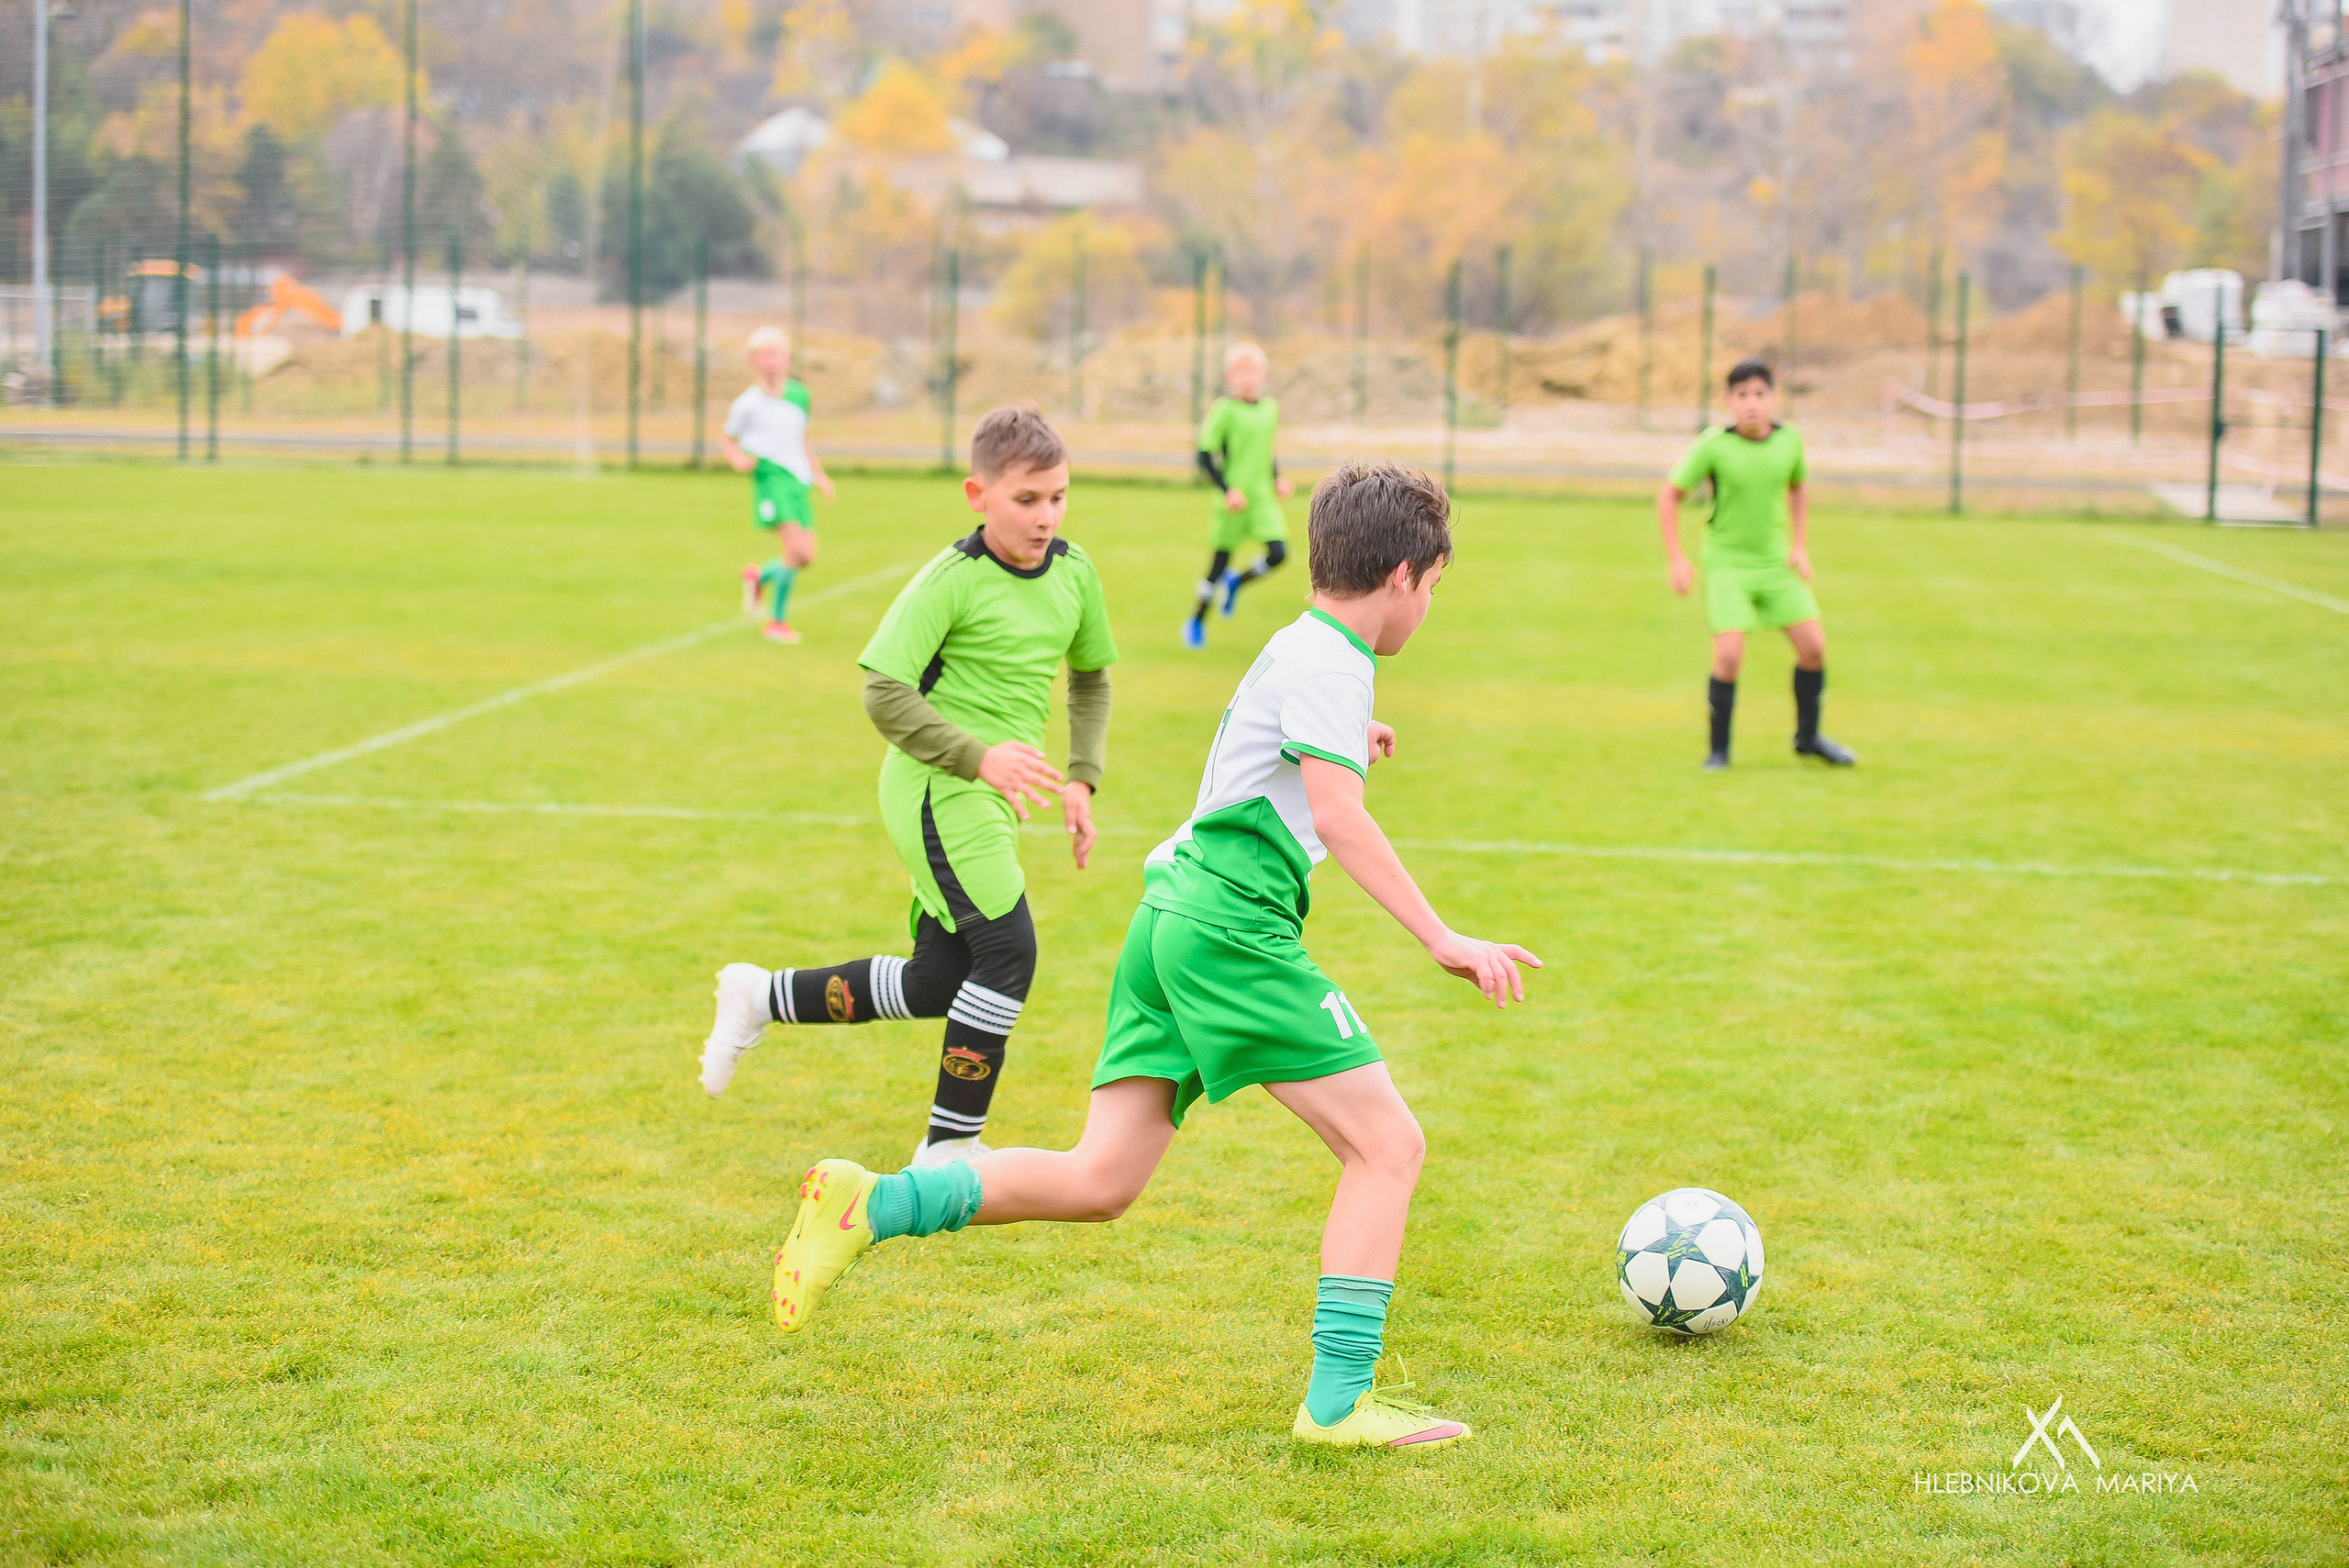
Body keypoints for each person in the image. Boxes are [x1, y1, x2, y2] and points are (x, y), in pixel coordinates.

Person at [769, 460, 1540, 1451]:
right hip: (1228, 929)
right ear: (1402, 574)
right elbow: (1339, 818)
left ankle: (873, 1201)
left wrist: (1349, 733)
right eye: (1434, 587)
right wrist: (1443, 935)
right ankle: (1340, 1401)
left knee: (1102, 1179)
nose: (1428, 606)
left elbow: (1272, 751)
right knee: (1387, 1145)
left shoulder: (1307, 646)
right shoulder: (1336, 664)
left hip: (1169, 916)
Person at [699, 406, 1116, 1167]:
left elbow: (1089, 679)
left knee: (938, 981)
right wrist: (979, 757)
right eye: (1026, 500)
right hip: (936, 787)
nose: (1046, 516)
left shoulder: (1076, 572)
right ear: (977, 494)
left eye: (1058, 496)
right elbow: (884, 693)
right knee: (1008, 949)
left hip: (992, 794)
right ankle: (949, 1148)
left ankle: (761, 995)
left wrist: (1082, 778)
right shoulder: (950, 581)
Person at [1657, 359, 1855, 770]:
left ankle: (1808, 738)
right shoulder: (1714, 445)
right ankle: (1719, 752)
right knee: (1728, 656)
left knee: (1814, 649)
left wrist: (1799, 546)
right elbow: (1669, 495)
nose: (1751, 404)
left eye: (1760, 395)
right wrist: (1677, 558)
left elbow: (1799, 488)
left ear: (1774, 399)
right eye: (1742, 395)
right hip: (1727, 565)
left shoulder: (1790, 442)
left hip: (1774, 564)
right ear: (1728, 401)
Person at [720, 327, 836, 645]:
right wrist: (738, 460)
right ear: (752, 361)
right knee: (795, 550)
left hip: (798, 479)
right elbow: (727, 441)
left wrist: (819, 476)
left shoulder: (800, 395)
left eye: (779, 354)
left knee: (807, 556)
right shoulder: (747, 404)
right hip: (770, 478)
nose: (773, 362)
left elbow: (803, 438)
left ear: (788, 359)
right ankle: (777, 622)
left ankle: (759, 576)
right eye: (766, 355)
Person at [1185, 340, 1294, 649]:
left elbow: (1266, 449)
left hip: (1261, 500)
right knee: (1217, 565)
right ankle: (1196, 621)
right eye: (1240, 371)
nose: (1247, 377)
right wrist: (1227, 490)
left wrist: (1277, 479)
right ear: (1229, 376)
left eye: (1253, 371)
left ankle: (1237, 582)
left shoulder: (1270, 409)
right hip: (1233, 503)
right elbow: (1205, 455)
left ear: (1263, 374)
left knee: (1279, 553)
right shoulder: (1224, 411)